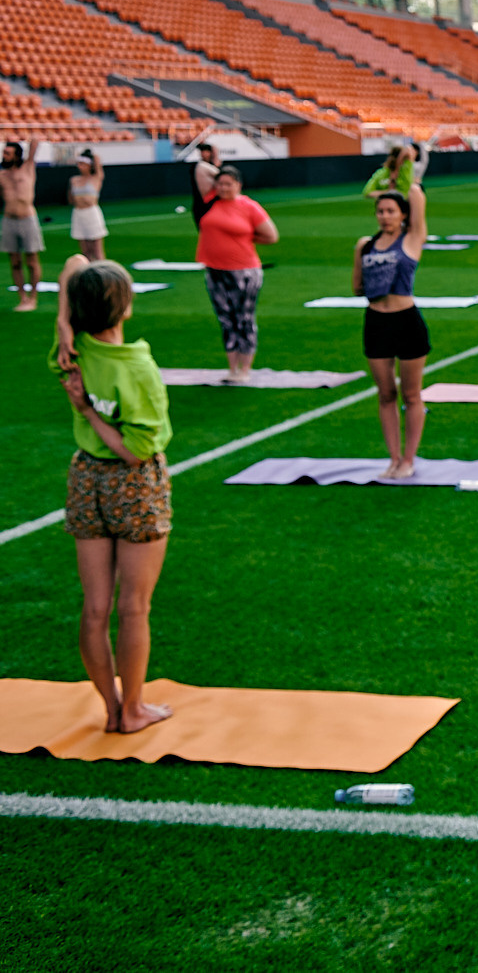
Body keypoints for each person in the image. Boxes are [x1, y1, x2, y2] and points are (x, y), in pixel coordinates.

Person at [51, 256, 174, 734]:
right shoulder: (139, 366)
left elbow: (74, 263)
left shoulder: (72, 349)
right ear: (123, 308)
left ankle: (110, 709)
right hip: (133, 484)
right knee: (133, 607)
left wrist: (63, 322)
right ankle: (134, 709)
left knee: (96, 606)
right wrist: (90, 410)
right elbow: (137, 452)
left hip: (85, 477)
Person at [353, 183, 429, 478]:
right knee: (386, 393)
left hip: (406, 321)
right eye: (380, 211)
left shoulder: (411, 240)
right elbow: (356, 285)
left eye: (390, 211)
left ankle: (409, 459)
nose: (384, 216)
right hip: (376, 322)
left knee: (411, 394)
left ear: (403, 215)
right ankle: (393, 458)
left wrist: (401, 178)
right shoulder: (365, 245)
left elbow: (417, 195)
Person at [196, 165, 278, 381]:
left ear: (238, 185)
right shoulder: (211, 200)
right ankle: (232, 368)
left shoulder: (249, 206)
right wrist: (219, 173)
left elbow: (271, 236)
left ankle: (245, 369)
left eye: (228, 184)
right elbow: (200, 169)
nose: (223, 188)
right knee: (225, 319)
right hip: (215, 270)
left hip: (244, 271)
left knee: (244, 318)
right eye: (220, 183)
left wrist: (246, 239)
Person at [3, 139, 43, 311]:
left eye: (8, 153)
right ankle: (22, 297)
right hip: (9, 220)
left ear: (17, 155)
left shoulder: (28, 168)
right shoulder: (2, 175)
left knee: (32, 261)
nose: (4, 156)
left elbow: (35, 142)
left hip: (28, 219)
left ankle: (33, 297)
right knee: (15, 261)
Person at [69, 149, 106, 261]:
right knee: (85, 251)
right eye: (79, 164)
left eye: (83, 164)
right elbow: (71, 198)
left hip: (91, 213)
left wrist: (89, 153)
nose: (80, 166)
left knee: (97, 249)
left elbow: (98, 162)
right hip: (79, 213)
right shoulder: (74, 180)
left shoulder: (95, 178)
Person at [187, 141, 218, 230]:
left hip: (212, 202)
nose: (203, 153)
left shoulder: (211, 165)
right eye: (202, 151)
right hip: (200, 201)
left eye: (206, 151)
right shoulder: (199, 166)